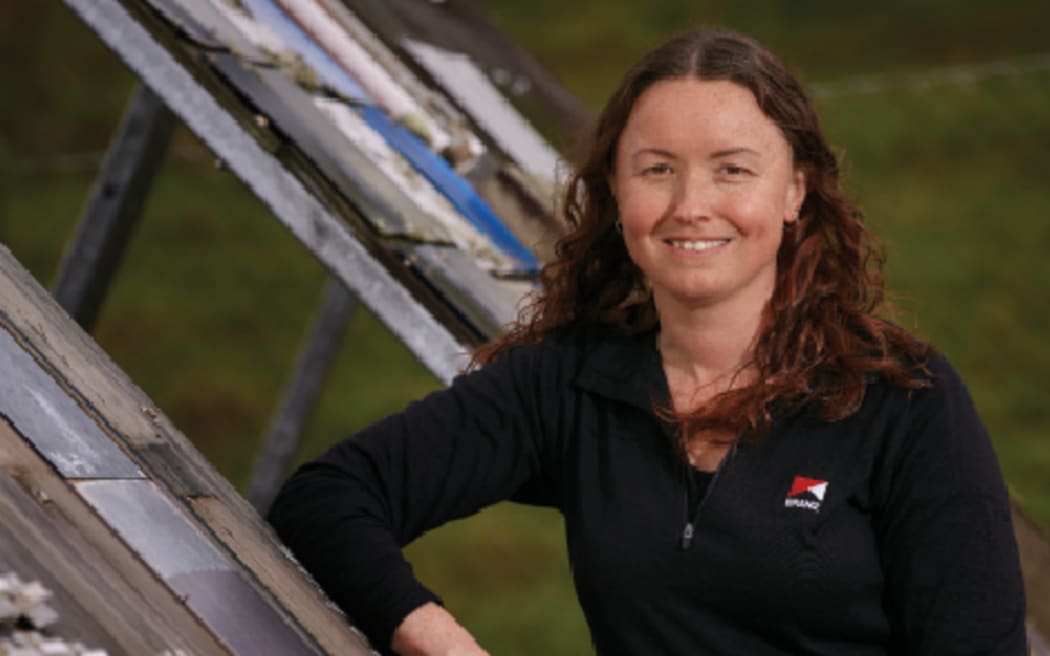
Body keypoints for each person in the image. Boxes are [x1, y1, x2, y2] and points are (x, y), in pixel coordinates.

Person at [268, 27, 1027, 656]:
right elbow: (327, 499)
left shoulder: (900, 400)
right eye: (657, 169)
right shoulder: (573, 382)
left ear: (795, 190)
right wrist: (433, 634)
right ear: (617, 192)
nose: (691, 205)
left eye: (732, 170)